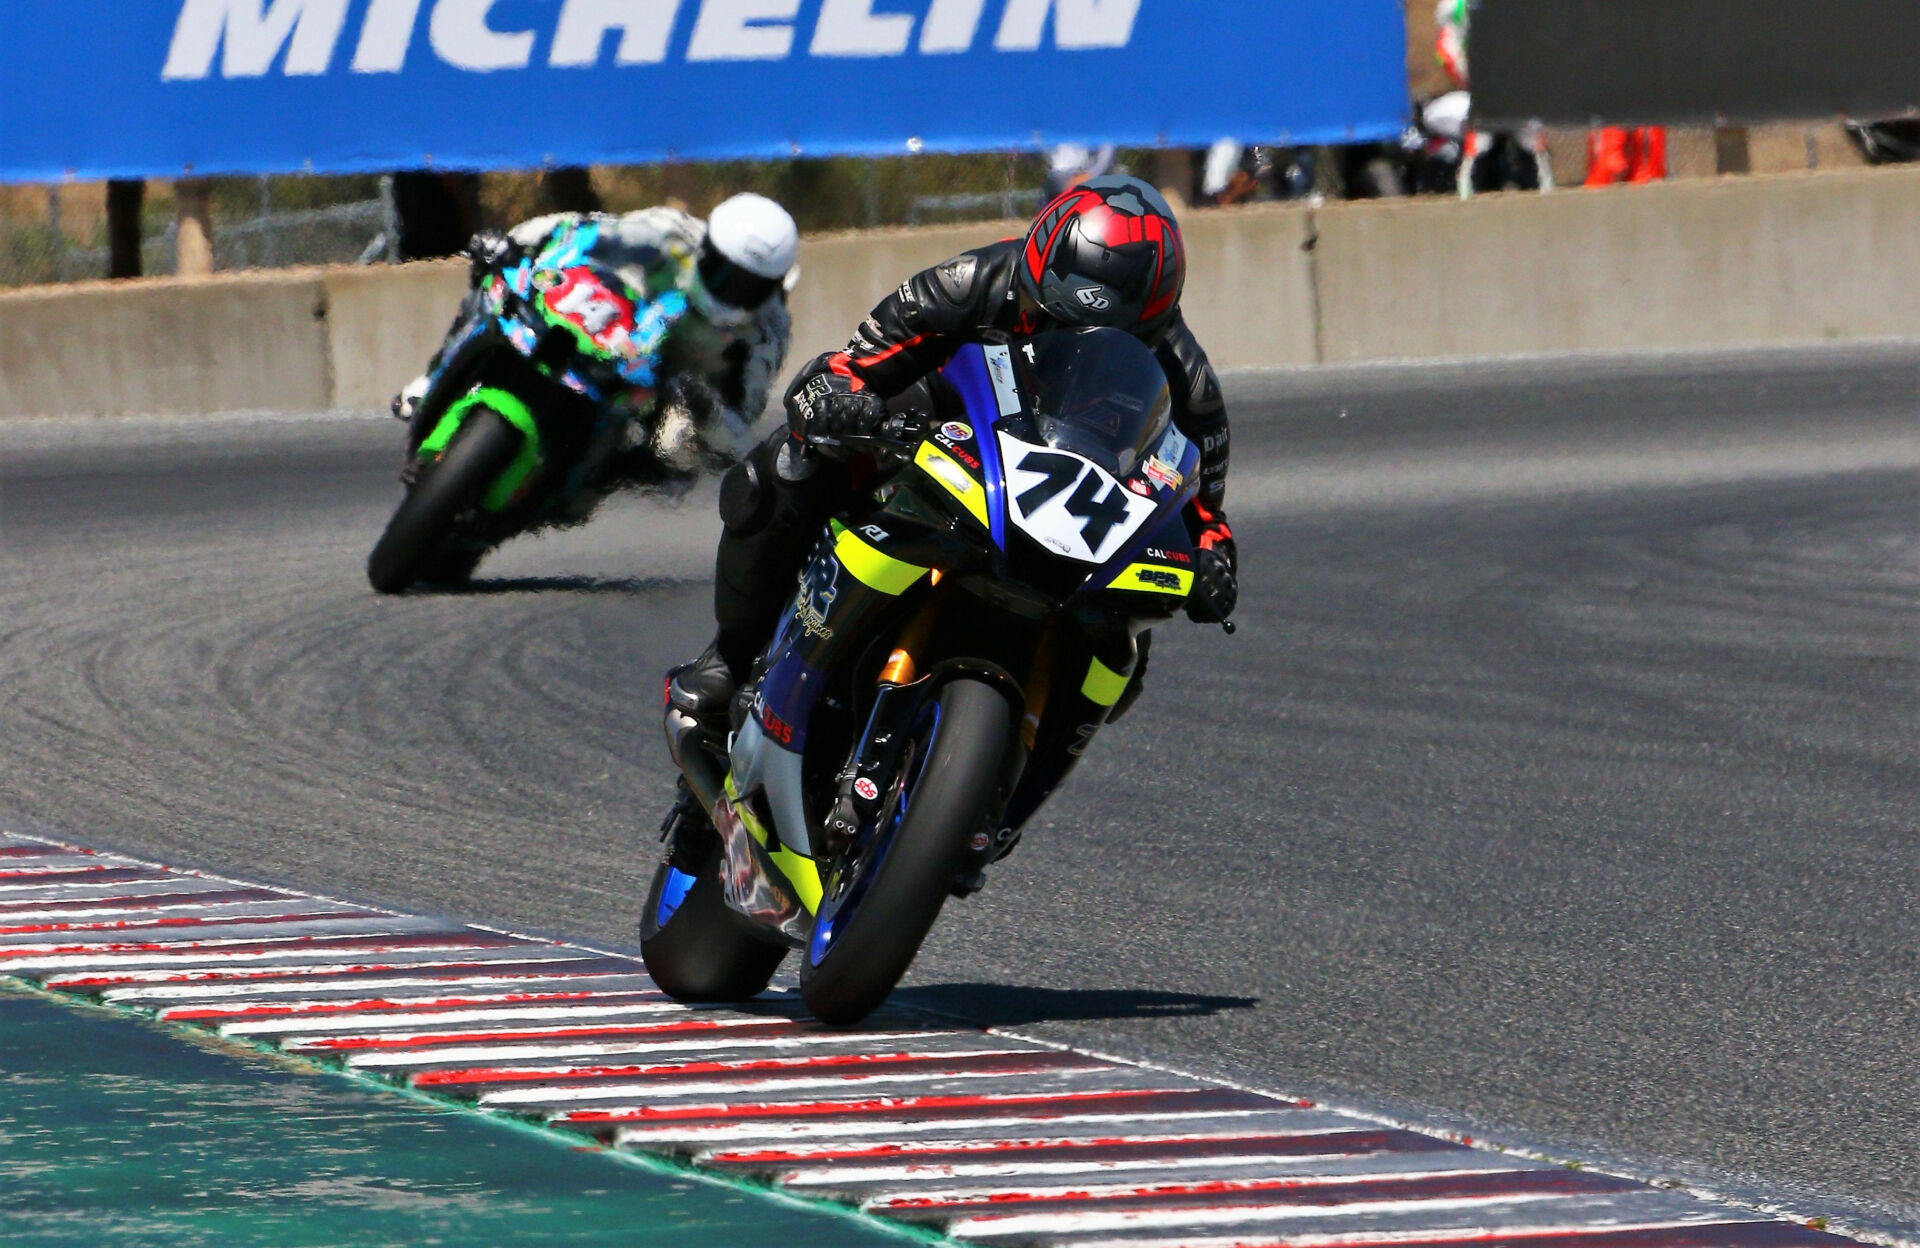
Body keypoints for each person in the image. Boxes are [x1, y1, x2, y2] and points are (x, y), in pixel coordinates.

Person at [667, 175, 1238, 737]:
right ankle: (732, 657)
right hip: (951, 430)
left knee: (1127, 634)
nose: (1068, 342)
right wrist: (841, 404)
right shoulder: (971, 282)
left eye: (1101, 339)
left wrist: (1213, 563)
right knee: (789, 465)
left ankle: (1019, 775)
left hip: (1076, 509)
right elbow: (851, 366)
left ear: (1151, 323)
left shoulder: (1187, 382)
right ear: (1034, 273)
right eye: (1053, 320)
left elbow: (1204, 509)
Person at [396, 192, 799, 481]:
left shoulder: (768, 332)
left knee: (673, 448)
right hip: (605, 320)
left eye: (748, 286)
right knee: (495, 283)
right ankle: (432, 380)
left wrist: (705, 406)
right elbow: (580, 228)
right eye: (722, 272)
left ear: (773, 287)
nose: (730, 290)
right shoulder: (671, 231)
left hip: (664, 387)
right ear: (706, 247)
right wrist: (512, 242)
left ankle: (590, 474)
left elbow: (741, 430)